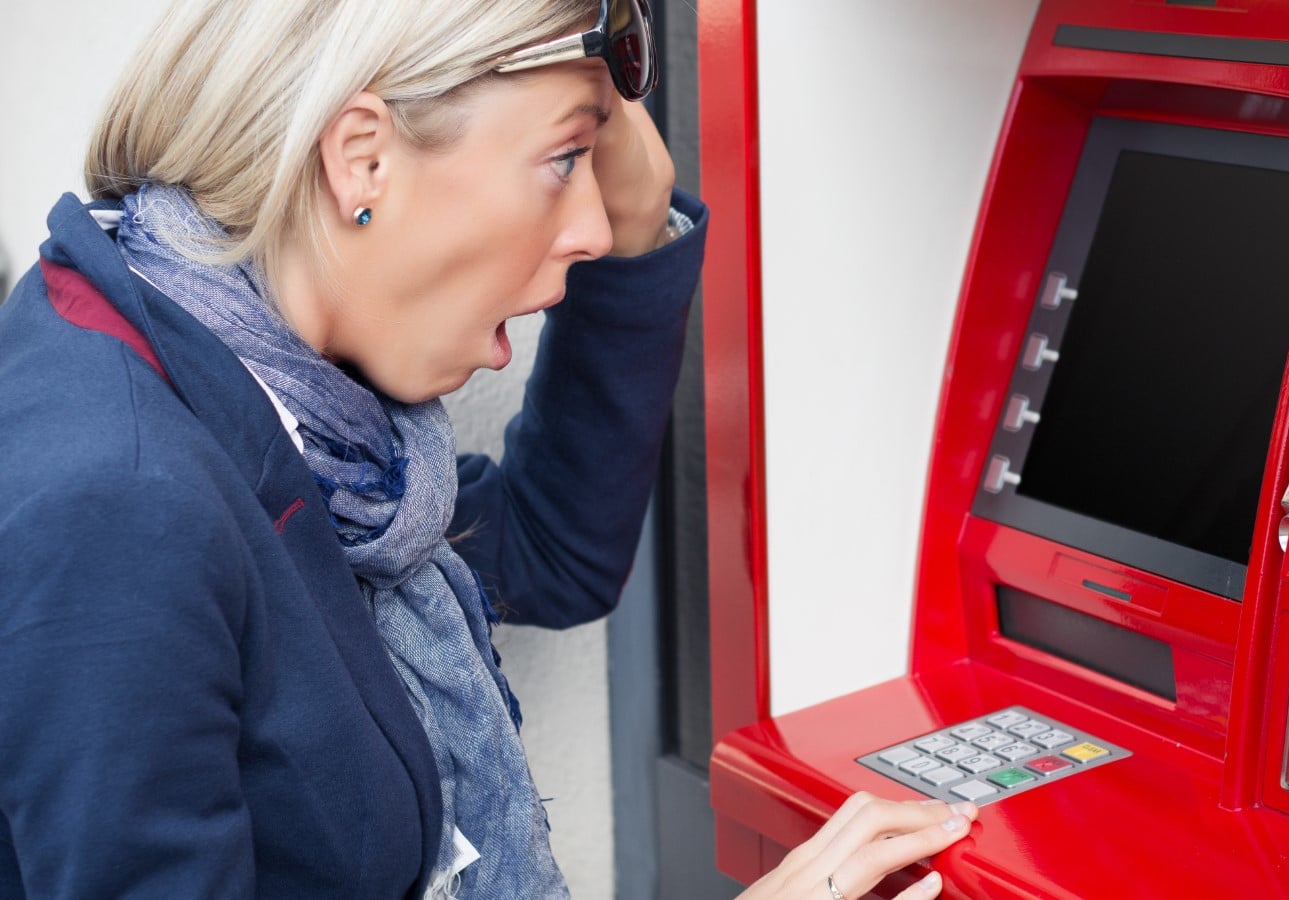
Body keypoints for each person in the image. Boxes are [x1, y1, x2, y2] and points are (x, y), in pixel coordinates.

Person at [0, 0, 977, 898]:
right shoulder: (119, 504)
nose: (592, 224)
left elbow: (549, 554)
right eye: (564, 159)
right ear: (363, 161)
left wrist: (638, 223)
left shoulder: (274, 390)